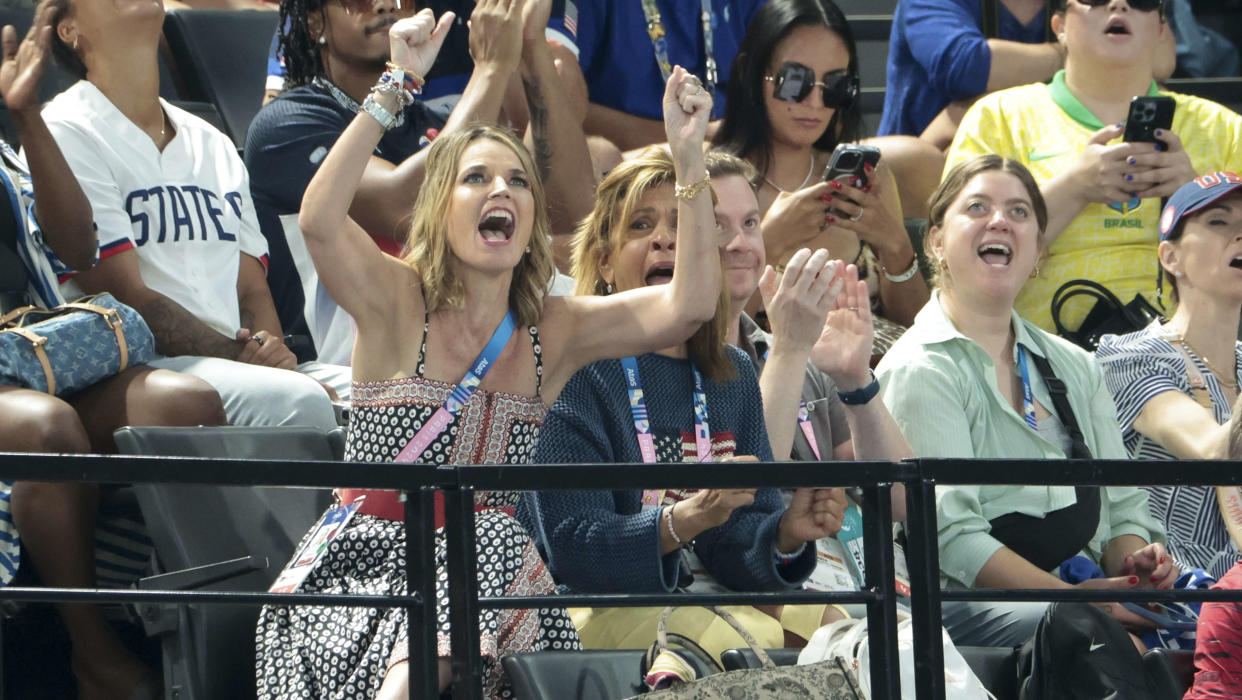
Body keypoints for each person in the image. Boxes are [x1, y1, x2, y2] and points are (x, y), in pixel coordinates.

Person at [253, 7, 724, 696]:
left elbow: (690, 305)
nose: (501, 189)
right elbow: (324, 216)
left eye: (518, 181)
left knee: (493, 540)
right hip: (364, 574)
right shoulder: (394, 299)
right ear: (439, 207)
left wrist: (689, 160)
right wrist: (398, 83)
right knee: (493, 543)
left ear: (532, 220)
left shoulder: (552, 331)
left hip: (489, 589)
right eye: (476, 178)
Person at [523, 144, 848, 658]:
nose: (665, 240)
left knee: (866, 634)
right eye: (640, 225)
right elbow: (573, 546)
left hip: (716, 595)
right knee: (741, 638)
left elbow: (740, 538)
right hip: (595, 603)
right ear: (604, 261)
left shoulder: (733, 371)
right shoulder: (574, 368)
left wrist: (785, 533)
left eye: (682, 226)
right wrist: (686, 520)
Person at [0, 4, 226, 698]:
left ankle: (204, 632)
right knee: (46, 429)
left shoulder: (16, 143)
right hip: (26, 391)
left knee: (184, 403)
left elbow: (76, 249)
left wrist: (27, 115)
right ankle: (95, 655)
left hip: (39, 351)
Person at [876, 154, 1175, 648]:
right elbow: (951, 540)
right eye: (977, 207)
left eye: (1019, 213)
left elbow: (1124, 507)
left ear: (1038, 249)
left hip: (1075, 595)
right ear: (935, 241)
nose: (1000, 221)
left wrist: (1134, 565)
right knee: (1094, 639)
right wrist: (1082, 603)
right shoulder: (920, 368)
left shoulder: (1075, 364)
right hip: (959, 606)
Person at [43, 0, 348, 428]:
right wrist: (244, 359)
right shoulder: (65, 128)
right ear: (68, 29)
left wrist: (272, 356)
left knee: (391, 394)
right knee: (299, 401)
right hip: (140, 370)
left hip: (236, 363)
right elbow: (121, 296)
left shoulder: (212, 140)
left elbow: (250, 291)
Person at [249, 0, 593, 364]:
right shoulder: (286, 123)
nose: (384, 5)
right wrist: (491, 69)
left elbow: (571, 211)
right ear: (316, 23)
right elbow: (405, 206)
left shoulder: (438, 119)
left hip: (459, 349)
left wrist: (530, 46)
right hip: (343, 368)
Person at [944, 0, 1242, 337]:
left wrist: (1193, 200)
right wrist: (1075, 187)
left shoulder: (1224, 129)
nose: (1118, 5)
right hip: (1034, 357)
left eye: (1141, 1)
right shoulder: (998, 118)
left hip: (1187, 355)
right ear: (1059, 27)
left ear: (1161, 31)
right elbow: (955, 261)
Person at [711, 0, 932, 348]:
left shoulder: (871, 179)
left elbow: (921, 332)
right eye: (795, 81)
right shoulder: (714, 182)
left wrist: (895, 246)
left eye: (834, 86)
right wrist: (768, 243)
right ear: (750, 75)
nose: (815, 102)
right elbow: (704, 333)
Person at [1096, 172, 1242, 580]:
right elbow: (1216, 451)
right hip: (1180, 598)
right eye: (1219, 222)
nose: (1240, 234)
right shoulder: (1129, 356)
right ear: (1170, 257)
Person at [880, 0, 1065, 142]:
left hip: (1045, 160)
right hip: (923, 177)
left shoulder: (1081, 7)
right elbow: (963, 66)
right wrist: (1070, 54)